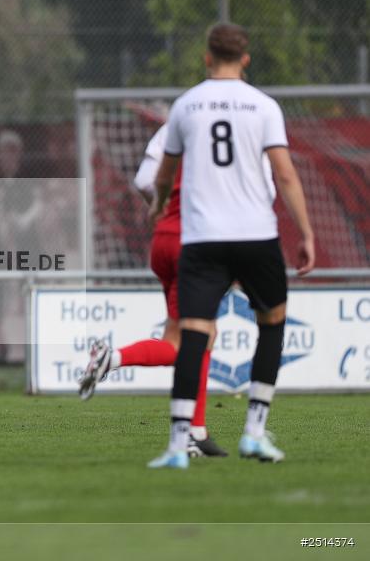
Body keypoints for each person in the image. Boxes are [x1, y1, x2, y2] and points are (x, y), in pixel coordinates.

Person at [146, 24, 314, 469]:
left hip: (203, 238)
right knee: (272, 323)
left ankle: (178, 446)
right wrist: (306, 233)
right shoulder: (263, 106)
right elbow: (285, 175)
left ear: (206, 58)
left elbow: (164, 174)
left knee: (193, 334)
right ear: (245, 59)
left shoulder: (186, 105)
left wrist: (159, 206)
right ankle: (254, 433)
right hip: (256, 234)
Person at [78, 121, 227, 458]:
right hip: (195, 243)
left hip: (163, 240)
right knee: (186, 342)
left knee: (201, 335)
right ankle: (113, 358)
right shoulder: (236, 126)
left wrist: (162, 206)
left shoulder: (179, 123)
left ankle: (198, 431)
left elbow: (144, 179)